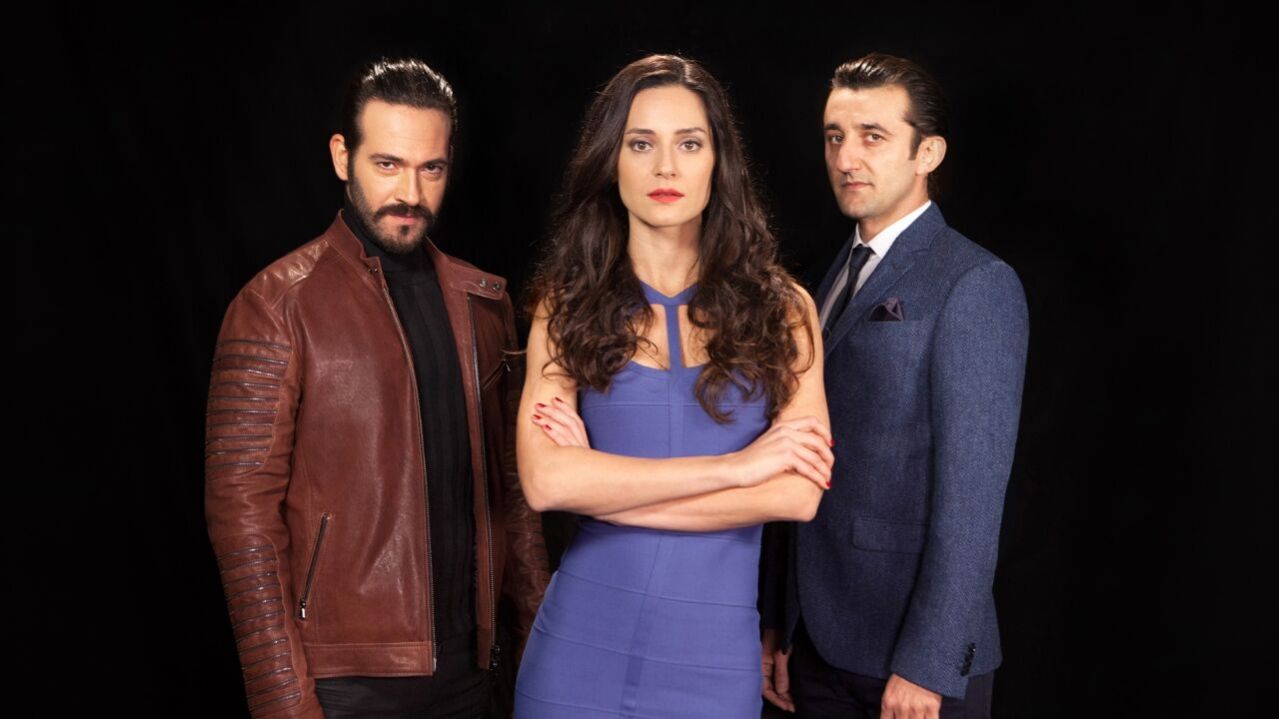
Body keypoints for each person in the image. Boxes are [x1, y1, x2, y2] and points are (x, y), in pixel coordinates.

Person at [204, 57, 550, 719]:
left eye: (431, 168)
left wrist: (539, 650)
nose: (410, 193)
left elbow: (515, 499)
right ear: (343, 157)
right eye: (387, 164)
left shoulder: (483, 303)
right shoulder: (276, 305)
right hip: (345, 684)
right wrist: (283, 700)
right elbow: (243, 519)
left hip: (473, 677)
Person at [511, 54, 833, 718]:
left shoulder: (785, 311)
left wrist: (603, 491)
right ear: (612, 161)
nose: (665, 167)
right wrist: (737, 469)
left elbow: (798, 494)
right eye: (641, 144)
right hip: (576, 656)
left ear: (719, 161)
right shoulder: (565, 307)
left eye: (688, 144)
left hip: (712, 668)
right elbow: (545, 483)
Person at [759, 52, 1030, 719]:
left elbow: (973, 499)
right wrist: (779, 623)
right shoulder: (828, 275)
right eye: (834, 136)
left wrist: (927, 664)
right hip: (816, 641)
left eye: (872, 136)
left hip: (911, 665)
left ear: (926, 153)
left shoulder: (975, 283)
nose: (846, 157)